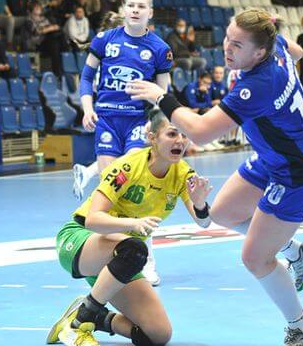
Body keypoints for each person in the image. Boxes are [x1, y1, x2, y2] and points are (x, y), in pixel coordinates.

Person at [127, 8, 303, 346]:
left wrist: (161, 97)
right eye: (227, 38)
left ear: (259, 52)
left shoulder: (257, 85)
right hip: (273, 156)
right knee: (221, 212)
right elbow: (297, 52)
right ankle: (297, 253)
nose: (227, 48)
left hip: (299, 171)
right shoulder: (276, 45)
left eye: (237, 45)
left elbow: (201, 132)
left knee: (255, 258)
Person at [46, 109, 213, 346]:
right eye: (172, 134)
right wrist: (132, 223)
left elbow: (203, 222)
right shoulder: (127, 167)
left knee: (157, 335)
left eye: (184, 135)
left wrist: (200, 204)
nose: (180, 141)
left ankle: (95, 317)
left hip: (122, 258)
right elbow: (93, 219)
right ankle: (78, 324)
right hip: (81, 240)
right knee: (134, 249)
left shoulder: (183, 173)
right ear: (153, 137)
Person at [71, 0, 173, 287]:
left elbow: (164, 92)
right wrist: (87, 108)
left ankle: (147, 260)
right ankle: (118, 256)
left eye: (141, 6)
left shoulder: (160, 49)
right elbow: (86, 78)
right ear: (124, 9)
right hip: (106, 120)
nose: (135, 10)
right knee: (111, 189)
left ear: (150, 13)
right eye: (131, 5)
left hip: (138, 122)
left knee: (134, 186)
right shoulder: (105, 39)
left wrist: (157, 123)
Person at [21, 2, 67, 75]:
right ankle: (65, 50)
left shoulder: (43, 18)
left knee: (55, 41)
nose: (38, 9)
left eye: (39, 7)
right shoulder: (28, 20)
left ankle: (58, 71)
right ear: (31, 10)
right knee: (55, 38)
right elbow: (36, 31)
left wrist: (49, 29)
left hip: (48, 42)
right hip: (37, 44)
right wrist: (50, 28)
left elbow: (52, 28)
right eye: (36, 8)